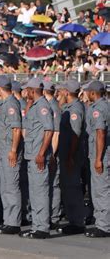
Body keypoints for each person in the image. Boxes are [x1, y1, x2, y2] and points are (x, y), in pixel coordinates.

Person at [20, 78, 54, 239]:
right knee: (34, 192)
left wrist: (41, 153)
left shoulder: (42, 106)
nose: (25, 92)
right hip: (31, 154)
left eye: (27, 90)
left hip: (38, 155)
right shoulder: (34, 105)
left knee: (40, 192)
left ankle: (42, 228)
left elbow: (49, 130)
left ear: (33, 90)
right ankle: (37, 225)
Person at [0, 76, 22, 235]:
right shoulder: (3, 103)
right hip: (2, 149)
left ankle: (13, 222)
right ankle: (8, 220)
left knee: (11, 187)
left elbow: (16, 129)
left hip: (9, 150)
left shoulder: (11, 104)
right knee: (5, 188)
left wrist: (13, 150)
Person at [55, 80, 86, 235]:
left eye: (62, 91)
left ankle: (78, 222)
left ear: (67, 92)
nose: (60, 93)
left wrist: (70, 156)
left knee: (73, 188)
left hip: (72, 155)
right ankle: (73, 220)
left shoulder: (75, 109)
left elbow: (75, 135)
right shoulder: (68, 107)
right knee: (67, 188)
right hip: (67, 154)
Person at [83, 81, 109, 238]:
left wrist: (98, 159)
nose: (86, 94)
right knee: (99, 189)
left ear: (93, 93)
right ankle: (102, 223)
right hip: (98, 153)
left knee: (102, 191)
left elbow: (100, 133)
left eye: (87, 92)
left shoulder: (99, 108)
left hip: (101, 155)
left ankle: (104, 226)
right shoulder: (102, 105)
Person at [43, 81, 61, 229]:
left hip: (52, 151)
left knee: (53, 184)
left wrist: (53, 153)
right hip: (48, 150)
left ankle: (53, 217)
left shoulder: (53, 107)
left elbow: (55, 133)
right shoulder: (48, 105)